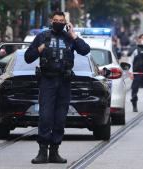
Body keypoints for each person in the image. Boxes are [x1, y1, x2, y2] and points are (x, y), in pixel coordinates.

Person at [25, 11, 90, 164]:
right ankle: (42, 152)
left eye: (61, 20)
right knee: (46, 117)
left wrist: (74, 35)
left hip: (64, 81)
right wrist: (39, 49)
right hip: (47, 81)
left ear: (66, 22)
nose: (58, 22)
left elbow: (85, 50)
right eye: (56, 20)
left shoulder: (70, 37)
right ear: (51, 21)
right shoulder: (42, 36)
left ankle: (54, 151)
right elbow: (28, 58)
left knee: (60, 118)